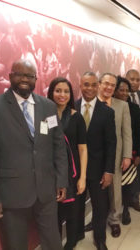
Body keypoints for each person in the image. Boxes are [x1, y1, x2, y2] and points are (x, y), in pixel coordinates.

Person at [0, 59, 68, 250]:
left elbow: (58, 146)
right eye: (20, 74)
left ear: (35, 79)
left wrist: (61, 181)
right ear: (10, 76)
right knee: (15, 245)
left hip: (46, 191)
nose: (25, 79)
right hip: (11, 194)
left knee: (53, 242)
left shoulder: (48, 107)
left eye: (30, 75)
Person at [76, 72, 116, 250]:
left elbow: (111, 144)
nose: (90, 88)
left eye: (93, 85)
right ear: (80, 85)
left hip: (98, 170)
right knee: (75, 207)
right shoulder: (72, 107)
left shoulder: (107, 112)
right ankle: (75, 235)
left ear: (98, 86)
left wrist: (109, 171)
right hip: (75, 170)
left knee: (100, 208)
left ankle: (99, 239)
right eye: (86, 84)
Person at [47, 77, 88, 250]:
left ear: (70, 94)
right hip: (50, 171)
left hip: (73, 172)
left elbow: (83, 149)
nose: (62, 95)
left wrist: (82, 178)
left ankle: (71, 241)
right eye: (58, 91)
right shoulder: (45, 115)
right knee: (53, 212)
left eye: (66, 91)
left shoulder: (76, 117)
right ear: (51, 93)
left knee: (72, 210)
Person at [98, 73, 132, 238]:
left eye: (112, 85)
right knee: (96, 189)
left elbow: (127, 133)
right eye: (106, 84)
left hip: (116, 155)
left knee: (115, 189)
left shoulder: (122, 106)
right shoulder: (90, 104)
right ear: (99, 84)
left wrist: (127, 156)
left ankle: (114, 220)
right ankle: (97, 219)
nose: (109, 88)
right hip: (94, 156)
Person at [114, 76, 140, 225]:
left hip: (129, 152)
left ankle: (126, 210)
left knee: (127, 183)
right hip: (112, 153)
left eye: (127, 90)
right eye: (121, 90)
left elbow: (139, 132)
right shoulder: (108, 106)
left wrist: (138, 153)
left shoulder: (133, 108)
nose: (124, 93)